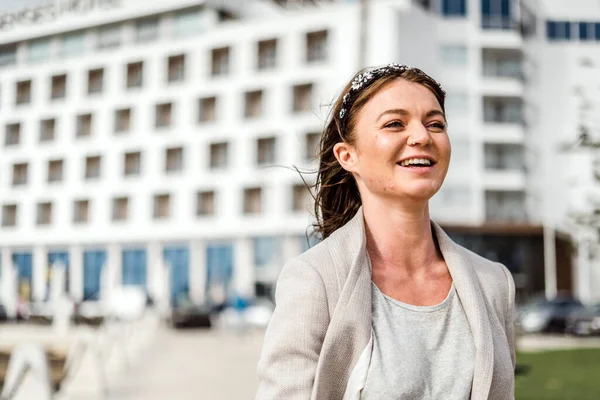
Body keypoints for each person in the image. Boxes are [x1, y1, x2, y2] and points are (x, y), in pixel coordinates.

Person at [255, 63, 516, 400]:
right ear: (348, 156)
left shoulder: (493, 282)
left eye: (435, 124)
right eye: (395, 123)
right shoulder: (314, 280)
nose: (422, 136)